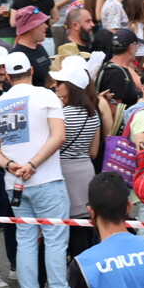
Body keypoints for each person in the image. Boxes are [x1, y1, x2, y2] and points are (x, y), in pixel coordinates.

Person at [0, 52, 71, 288]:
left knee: (26, 241)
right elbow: (59, 135)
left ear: (7, 76)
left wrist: (10, 165)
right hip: (46, 178)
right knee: (55, 241)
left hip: (14, 183)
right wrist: (33, 164)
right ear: (32, 71)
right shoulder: (47, 96)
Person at [52, 59, 109, 258]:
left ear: (72, 87)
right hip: (85, 170)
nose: (55, 86)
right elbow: (94, 152)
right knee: (85, 228)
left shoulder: (61, 114)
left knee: (65, 230)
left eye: (60, 83)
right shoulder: (93, 114)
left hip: (64, 171)